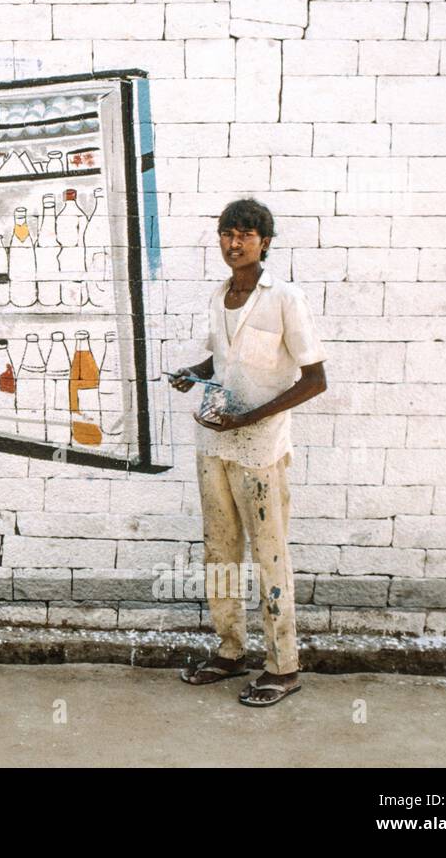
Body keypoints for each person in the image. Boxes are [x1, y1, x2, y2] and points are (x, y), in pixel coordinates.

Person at [170, 199, 327, 707]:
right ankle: (230, 649)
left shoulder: (285, 298)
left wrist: (251, 418)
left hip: (260, 448)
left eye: (245, 235)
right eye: (226, 234)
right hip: (214, 441)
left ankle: (283, 666)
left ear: (265, 241)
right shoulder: (219, 296)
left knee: (269, 554)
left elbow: (315, 380)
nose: (233, 244)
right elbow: (224, 359)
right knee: (220, 551)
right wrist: (192, 373)